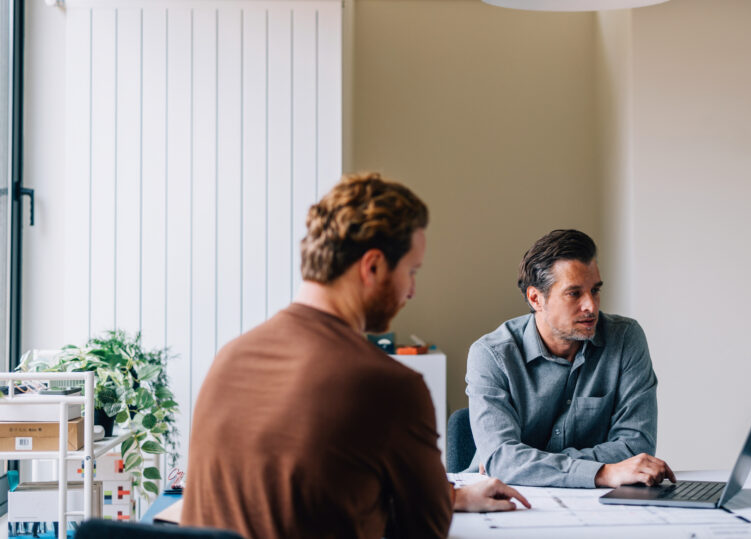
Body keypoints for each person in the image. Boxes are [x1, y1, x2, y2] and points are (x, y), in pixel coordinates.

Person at [182, 173, 528, 539]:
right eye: (411, 271)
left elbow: (304, 490)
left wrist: (452, 496)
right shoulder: (389, 385)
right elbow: (425, 531)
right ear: (373, 266)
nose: (411, 290)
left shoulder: (230, 358)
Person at [465, 229, 675, 488]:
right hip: (505, 496)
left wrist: (527, 463)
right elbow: (503, 461)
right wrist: (602, 472)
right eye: (574, 293)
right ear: (536, 298)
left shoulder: (625, 339)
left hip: (595, 502)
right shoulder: (491, 355)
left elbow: (636, 446)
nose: (591, 306)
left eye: (595, 290)